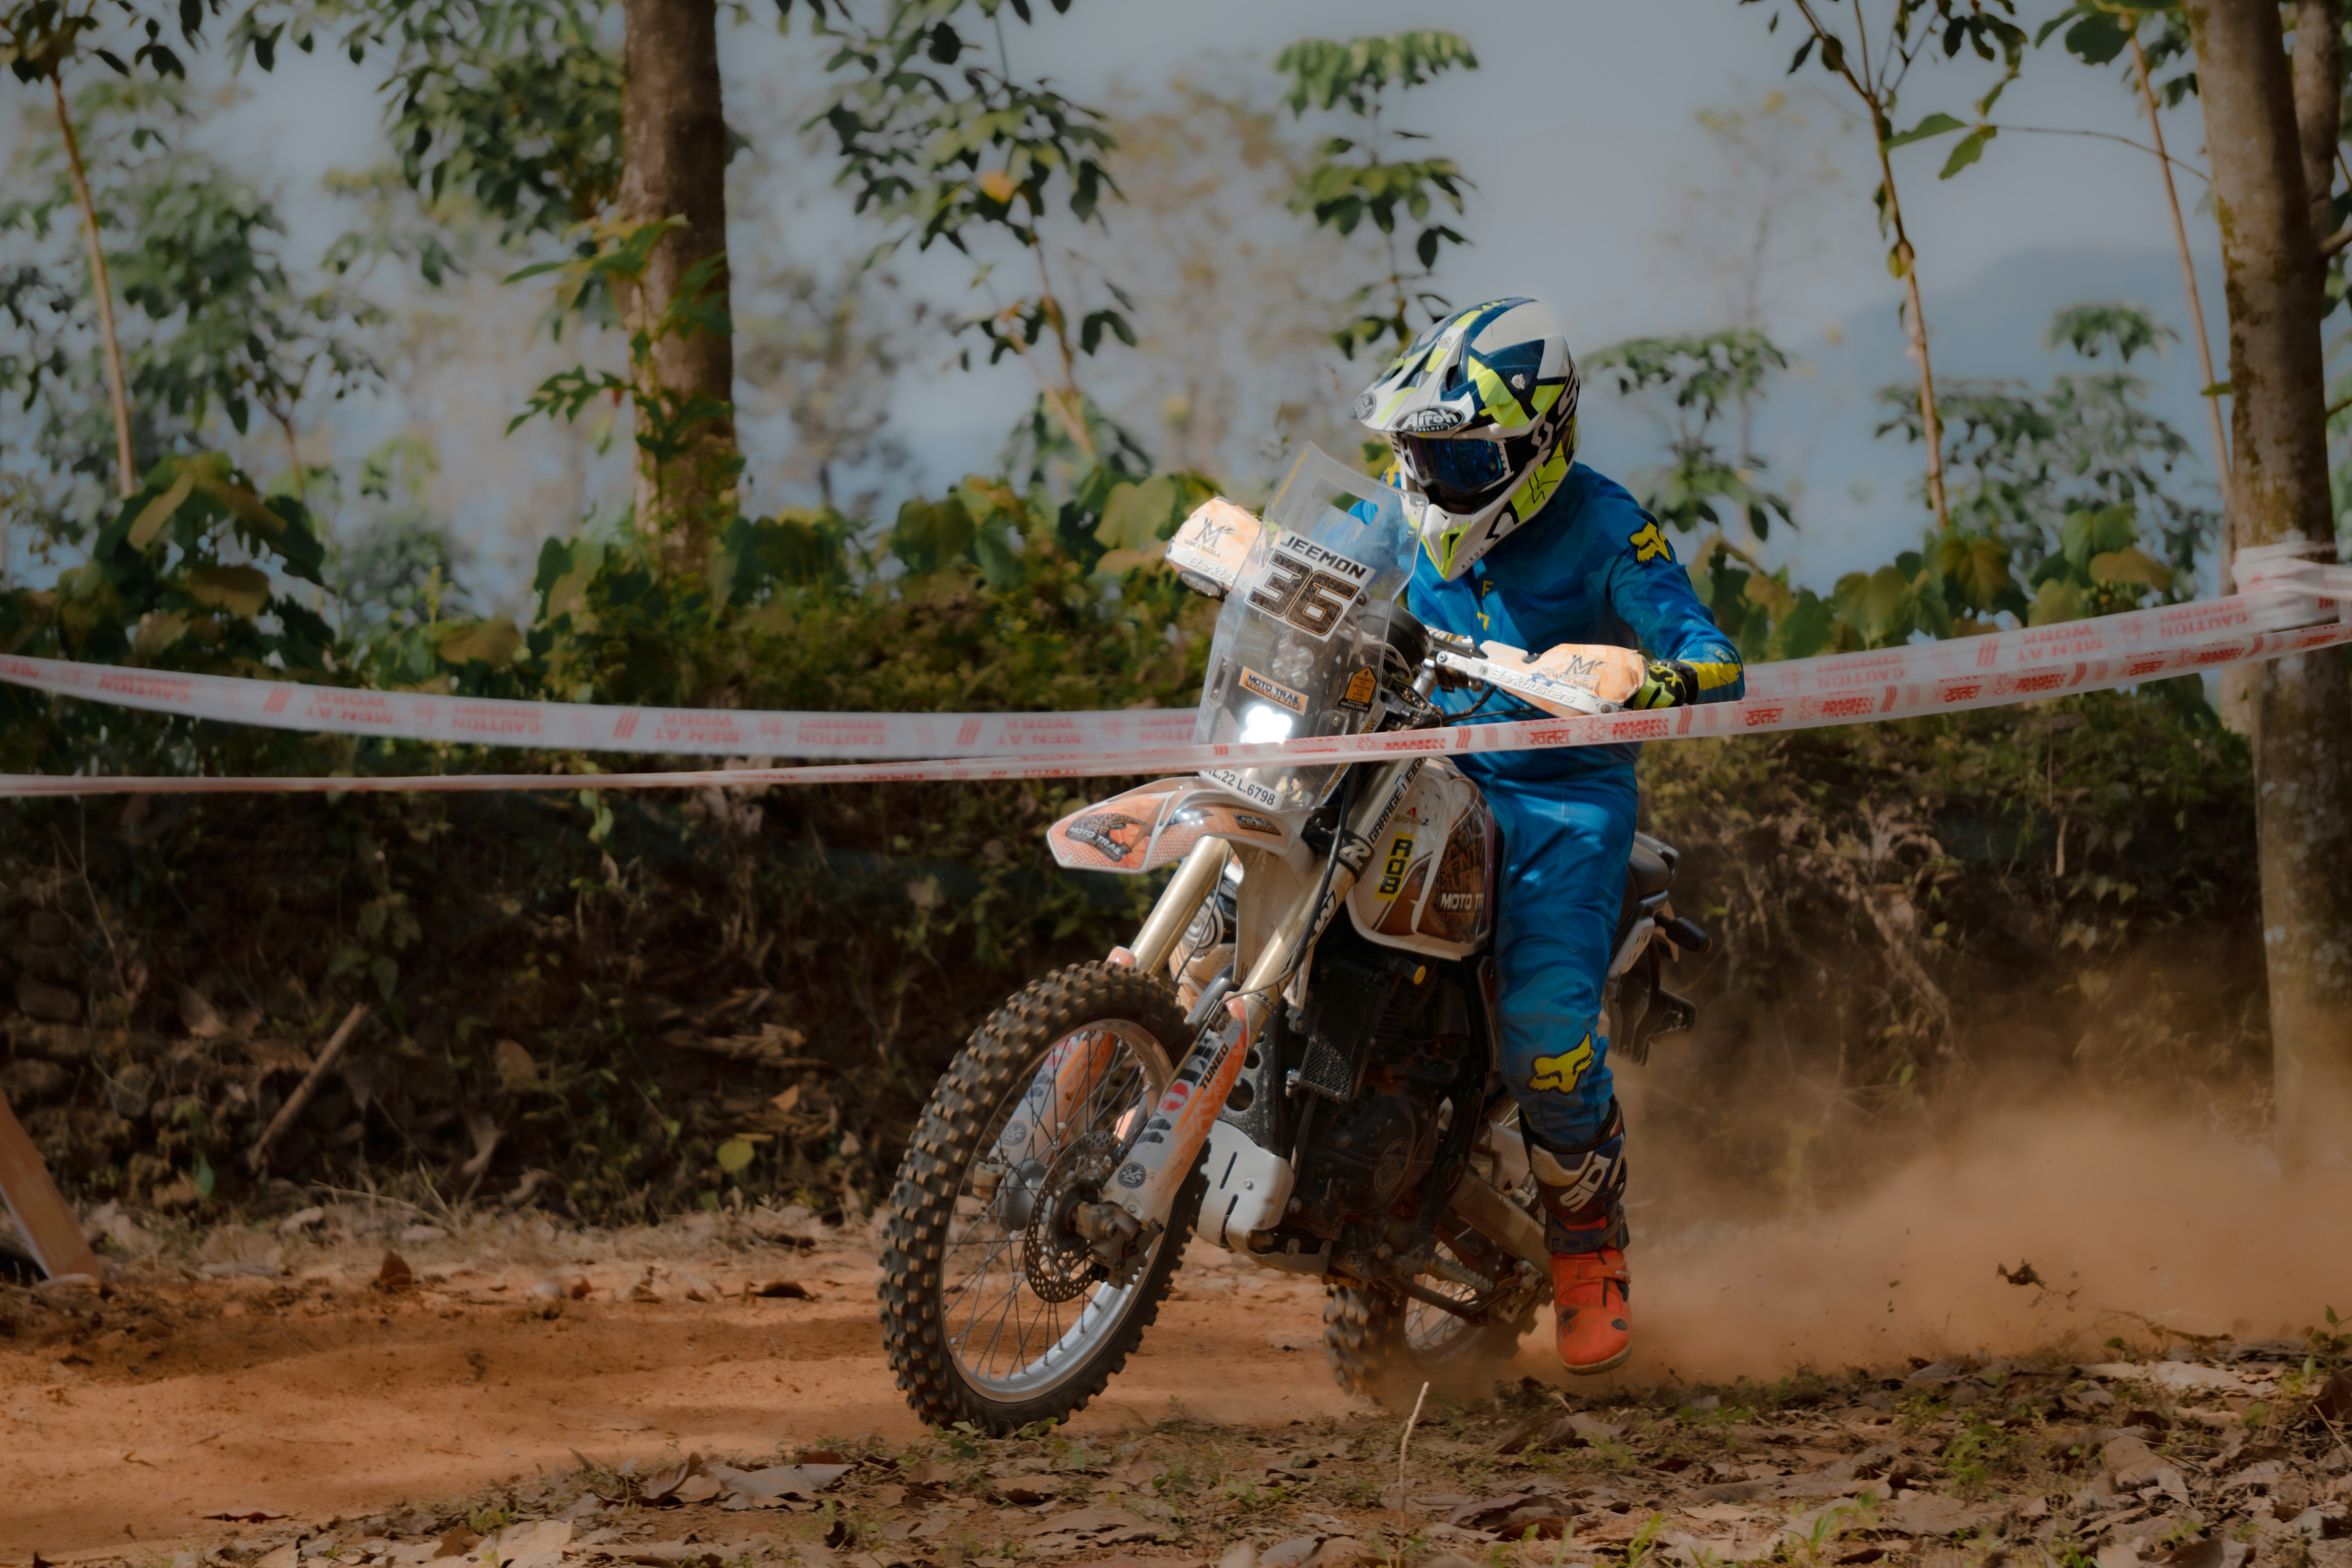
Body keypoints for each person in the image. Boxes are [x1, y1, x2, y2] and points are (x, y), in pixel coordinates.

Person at [1351, 296, 1745, 1374]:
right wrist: (1252, 560)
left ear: (1536, 446)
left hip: (1561, 797)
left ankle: (1589, 1249)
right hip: (1413, 760)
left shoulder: (1611, 527)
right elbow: (1321, 566)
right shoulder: (1405, 505)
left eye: (1466, 456)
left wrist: (1655, 674)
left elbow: (1711, 652)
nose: (1438, 477)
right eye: (1425, 451)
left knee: (1543, 1030)